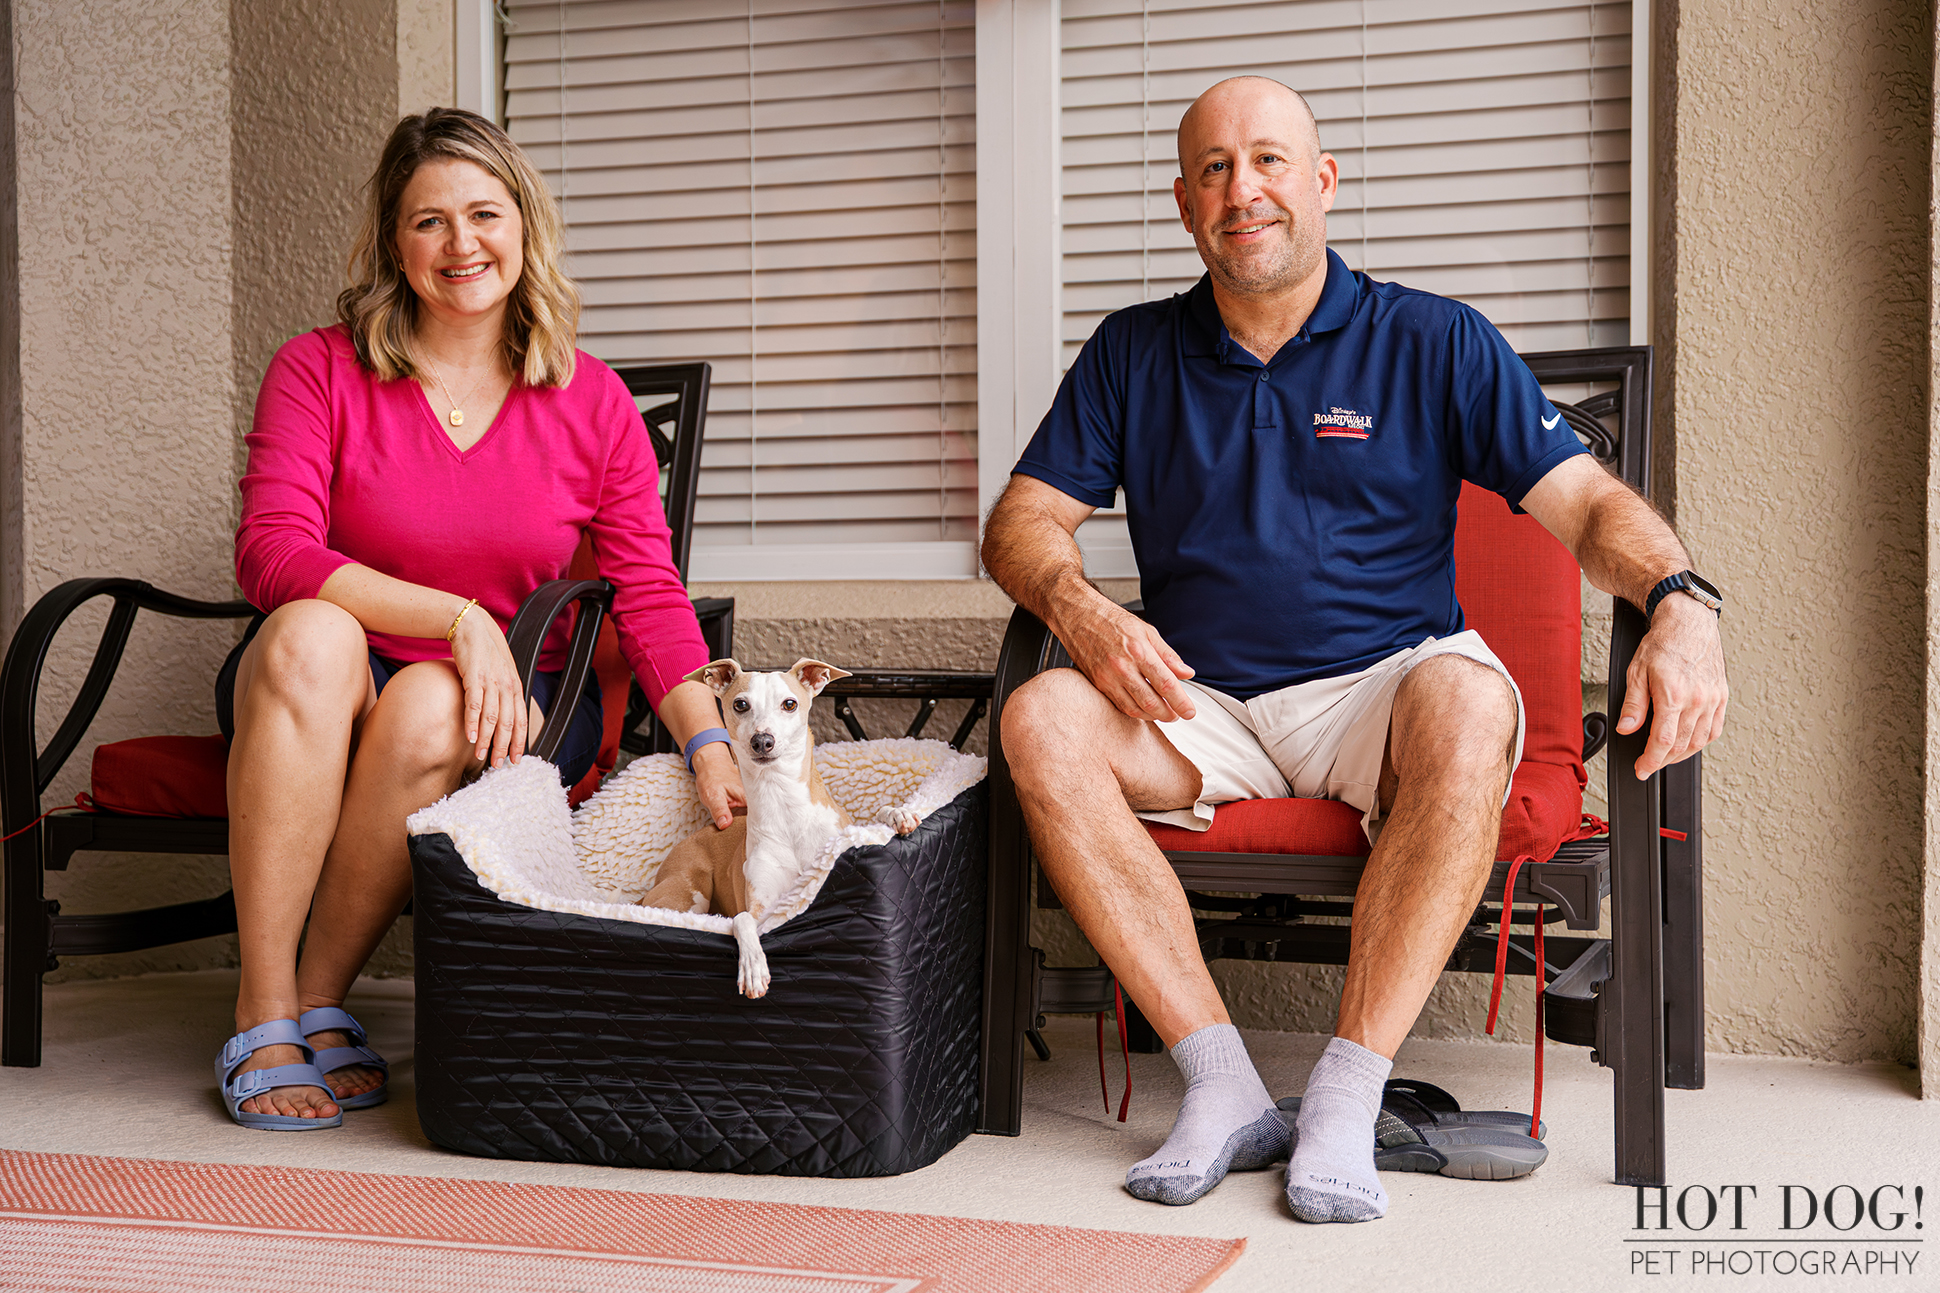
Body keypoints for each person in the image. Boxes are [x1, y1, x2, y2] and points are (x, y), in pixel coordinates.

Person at [982, 77, 1727, 1223]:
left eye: (1271, 161)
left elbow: (1586, 509)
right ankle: (1221, 1087)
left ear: (1320, 182)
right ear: (1185, 203)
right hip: (1200, 704)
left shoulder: (1432, 339)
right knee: (1037, 714)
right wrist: (1083, 613)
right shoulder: (1132, 352)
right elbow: (1021, 522)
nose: (1246, 191)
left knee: (1472, 704)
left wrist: (1680, 601)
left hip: (1378, 691)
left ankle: (1341, 1095)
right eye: (1217, 169)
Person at [214, 108, 745, 1130]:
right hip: (327, 675)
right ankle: (264, 1005)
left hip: (515, 695)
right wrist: (459, 615)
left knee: (430, 705)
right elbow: (271, 555)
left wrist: (710, 741)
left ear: (523, 226)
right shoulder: (317, 368)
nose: (461, 246)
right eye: (428, 222)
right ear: (391, 243)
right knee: (311, 634)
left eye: (483, 214)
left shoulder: (591, 402)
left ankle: (320, 995)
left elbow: (647, 594)